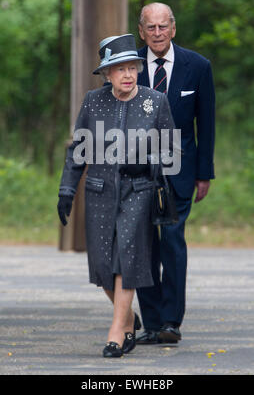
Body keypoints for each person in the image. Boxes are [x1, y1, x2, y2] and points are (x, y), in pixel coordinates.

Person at [57, 33, 176, 357]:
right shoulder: (92, 102)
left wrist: (148, 163)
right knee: (102, 264)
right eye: (119, 69)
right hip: (98, 190)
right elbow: (78, 150)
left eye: (132, 68)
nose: (127, 75)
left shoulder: (156, 101)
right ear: (107, 74)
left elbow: (171, 151)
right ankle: (128, 318)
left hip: (138, 191)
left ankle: (115, 333)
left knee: (127, 254)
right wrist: (67, 189)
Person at [136, 2, 215, 345]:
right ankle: (150, 323)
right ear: (141, 31)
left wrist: (204, 174)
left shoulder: (197, 67)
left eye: (163, 27)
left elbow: (206, 124)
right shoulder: (129, 65)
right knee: (143, 246)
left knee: (171, 243)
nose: (157, 33)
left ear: (173, 28)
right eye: (150, 28)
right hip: (136, 170)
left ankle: (170, 322)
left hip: (180, 171)